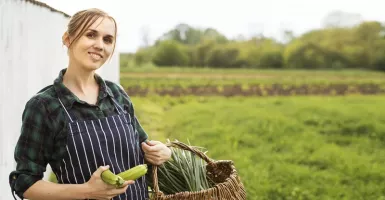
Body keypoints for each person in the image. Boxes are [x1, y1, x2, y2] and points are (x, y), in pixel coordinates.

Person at [9, 8, 171, 200]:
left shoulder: (116, 95)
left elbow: (143, 147)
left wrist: (162, 152)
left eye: (107, 39)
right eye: (91, 35)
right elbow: (25, 183)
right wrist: (87, 191)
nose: (99, 45)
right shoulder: (44, 106)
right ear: (68, 39)